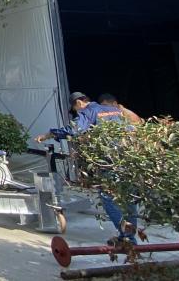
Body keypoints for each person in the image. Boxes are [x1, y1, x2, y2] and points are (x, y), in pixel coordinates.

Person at [36, 91, 139, 245]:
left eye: (75, 109)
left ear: (78, 103)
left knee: (108, 198)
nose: (76, 113)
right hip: (129, 159)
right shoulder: (115, 110)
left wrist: (50, 134)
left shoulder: (89, 111)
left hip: (110, 162)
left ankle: (127, 237)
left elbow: (74, 130)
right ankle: (129, 237)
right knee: (128, 199)